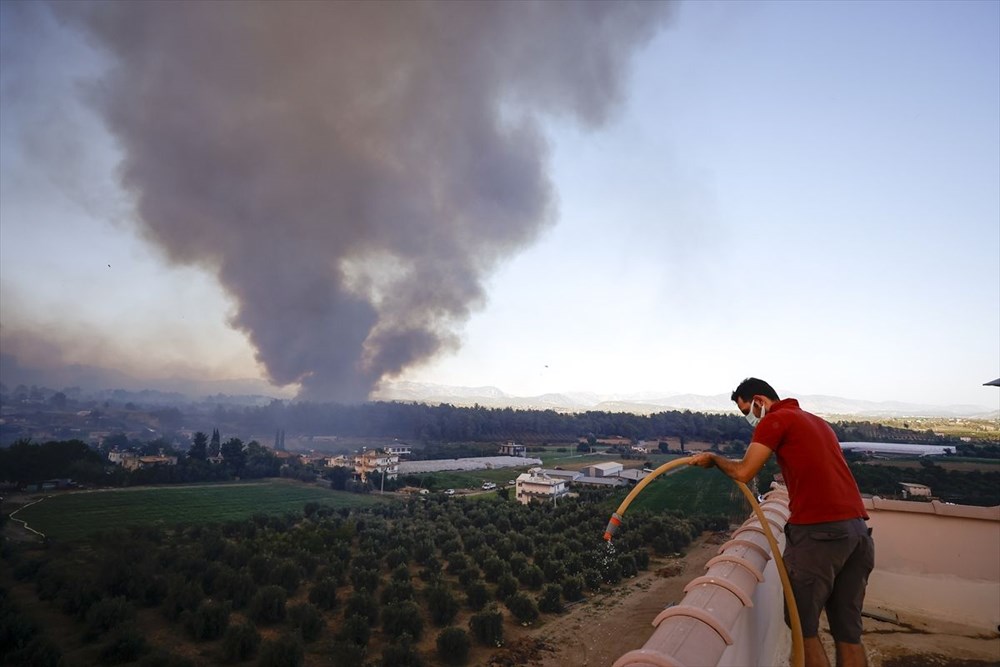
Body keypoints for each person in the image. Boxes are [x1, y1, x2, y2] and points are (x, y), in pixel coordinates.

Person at [689, 377, 874, 667]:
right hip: (857, 533)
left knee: (803, 631)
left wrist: (713, 459)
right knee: (848, 634)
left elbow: (743, 472)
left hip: (819, 535)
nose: (750, 419)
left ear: (760, 402)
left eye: (747, 411)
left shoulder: (775, 420)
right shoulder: (816, 422)